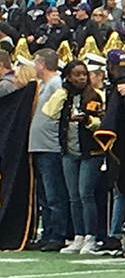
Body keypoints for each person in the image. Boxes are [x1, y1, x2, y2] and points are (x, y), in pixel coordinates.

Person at [40, 58, 105, 255]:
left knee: (85, 193)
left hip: (90, 151)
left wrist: (86, 119)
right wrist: (63, 92)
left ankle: (91, 236)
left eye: (84, 74)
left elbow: (100, 123)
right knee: (73, 196)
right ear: (67, 76)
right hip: (69, 150)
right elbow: (49, 112)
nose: (81, 78)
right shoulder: (64, 95)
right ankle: (78, 235)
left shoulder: (95, 95)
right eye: (76, 74)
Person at [27, 48, 67, 251]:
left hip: (50, 146)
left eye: (35, 63)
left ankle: (58, 234)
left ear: (42, 64)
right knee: (44, 194)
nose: (34, 67)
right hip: (39, 145)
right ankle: (49, 231)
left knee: (54, 193)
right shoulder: (43, 86)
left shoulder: (56, 83)